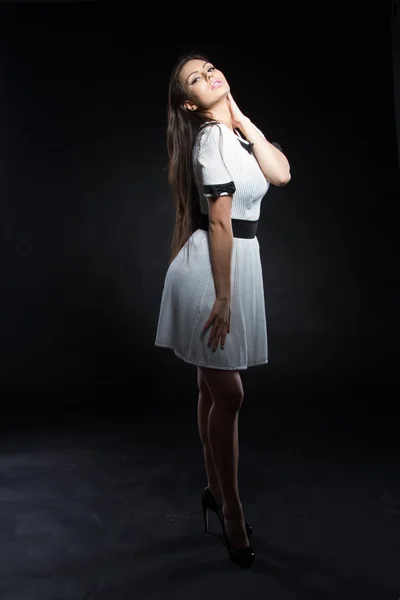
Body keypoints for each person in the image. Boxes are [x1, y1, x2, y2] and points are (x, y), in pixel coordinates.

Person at [154, 53, 291, 568]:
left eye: (210, 66)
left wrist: (239, 116)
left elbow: (280, 174)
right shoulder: (210, 143)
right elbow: (218, 224)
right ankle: (230, 508)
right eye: (196, 78)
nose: (209, 74)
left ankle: (214, 490)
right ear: (190, 102)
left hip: (238, 262)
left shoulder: (232, 135)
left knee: (210, 388)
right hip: (214, 272)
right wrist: (224, 296)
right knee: (228, 393)